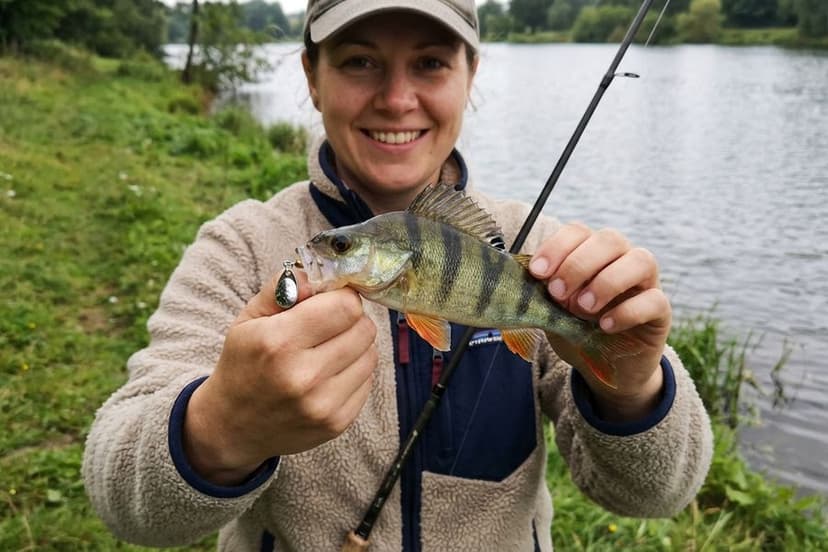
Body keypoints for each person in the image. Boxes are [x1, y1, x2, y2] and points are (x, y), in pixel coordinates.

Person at [82, 1, 713, 550]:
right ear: (312, 75)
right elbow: (123, 501)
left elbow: (655, 495)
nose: (396, 98)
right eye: (359, 61)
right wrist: (221, 428)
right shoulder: (240, 247)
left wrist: (632, 388)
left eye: (432, 63)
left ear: (472, 74)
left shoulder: (540, 252)